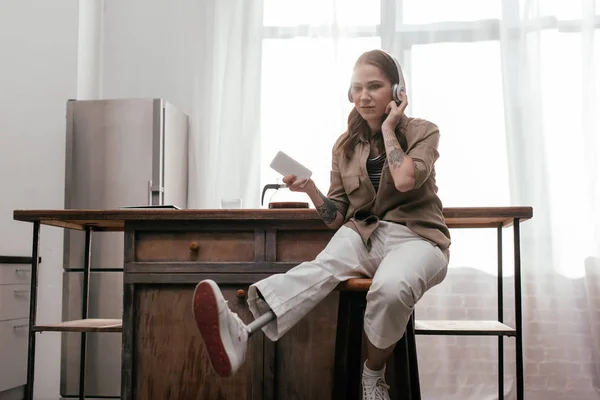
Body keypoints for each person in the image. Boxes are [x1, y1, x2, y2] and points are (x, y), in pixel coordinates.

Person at [192, 49, 451, 400]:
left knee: (391, 288)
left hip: (418, 238)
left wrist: (390, 127)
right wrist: (311, 190)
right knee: (321, 269)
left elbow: (405, 180)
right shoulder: (344, 147)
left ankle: (373, 375)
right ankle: (242, 330)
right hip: (363, 234)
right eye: (356, 88)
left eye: (374, 86)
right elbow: (337, 216)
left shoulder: (423, 131)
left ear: (397, 90)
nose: (363, 96)